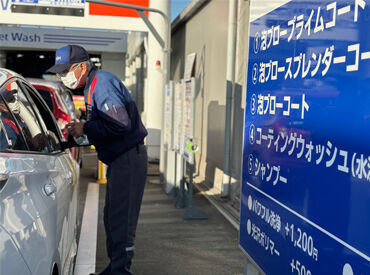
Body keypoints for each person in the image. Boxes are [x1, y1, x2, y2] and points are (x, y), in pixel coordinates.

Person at [47, 45, 148, 275]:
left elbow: (119, 123)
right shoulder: (92, 86)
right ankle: (115, 269)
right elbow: (103, 129)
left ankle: (121, 271)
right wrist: (69, 140)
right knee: (112, 220)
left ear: (82, 67)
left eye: (65, 71)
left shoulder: (100, 83)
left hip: (128, 159)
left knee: (121, 222)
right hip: (121, 159)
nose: (63, 77)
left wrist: (85, 126)